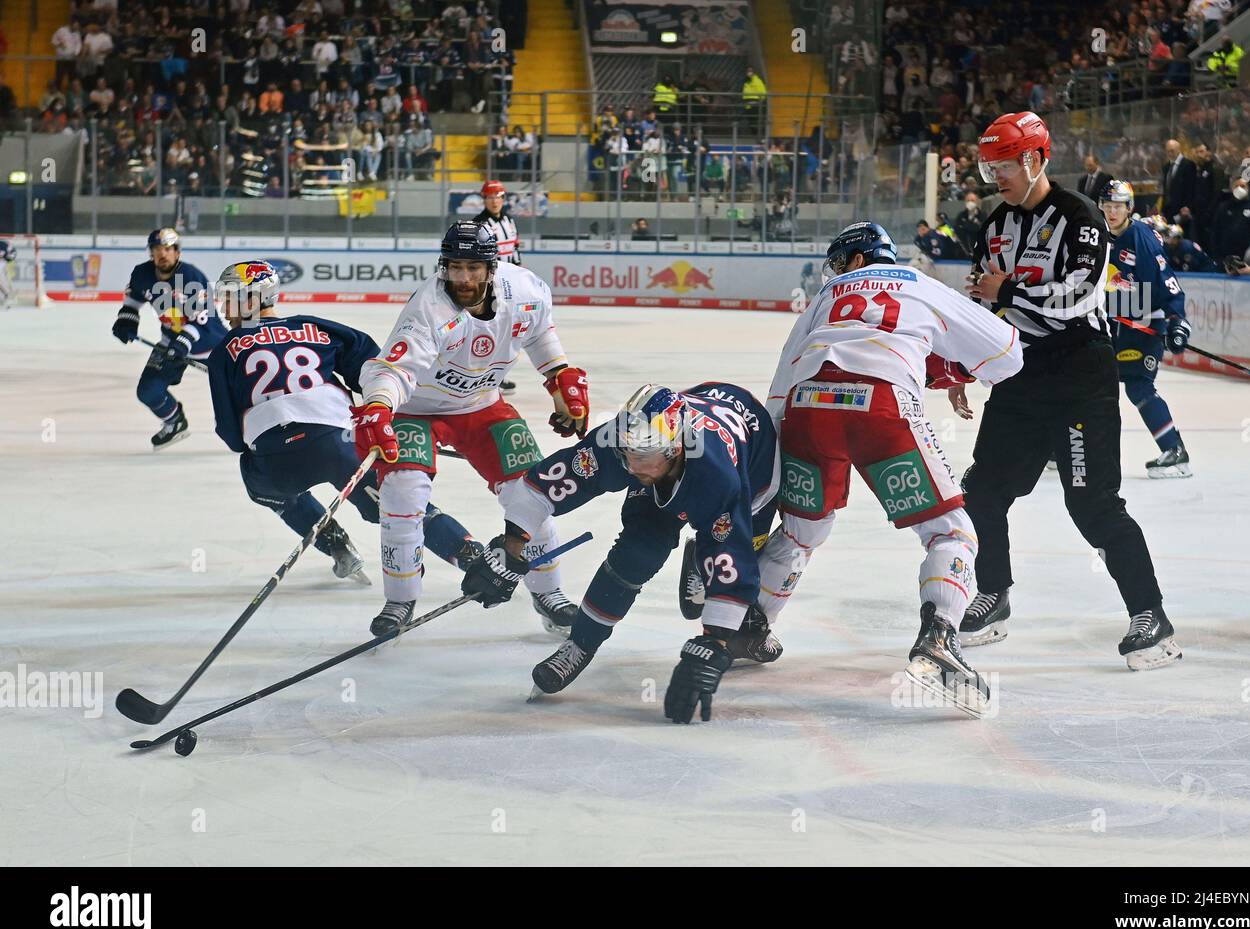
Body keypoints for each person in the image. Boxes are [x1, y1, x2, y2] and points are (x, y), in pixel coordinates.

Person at [756, 222, 1023, 717]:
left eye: (840, 261)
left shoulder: (829, 294)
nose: (835, 272)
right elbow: (1007, 354)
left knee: (800, 533)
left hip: (807, 407)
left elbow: (783, 376)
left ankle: (748, 627)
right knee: (950, 531)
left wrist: (769, 453)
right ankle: (940, 635)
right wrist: (951, 367)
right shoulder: (919, 283)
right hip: (878, 407)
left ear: (857, 259)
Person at [962, 111, 1180, 671]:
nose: (996, 180)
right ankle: (994, 595)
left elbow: (1075, 297)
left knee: (1091, 502)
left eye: (1003, 167)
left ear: (1035, 159)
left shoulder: (1081, 219)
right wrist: (963, 364)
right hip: (1021, 374)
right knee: (983, 489)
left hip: (1081, 373)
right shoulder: (994, 225)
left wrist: (1005, 289)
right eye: (989, 171)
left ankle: (1150, 616)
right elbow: (981, 306)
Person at [461, 382, 782, 722]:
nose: (631, 467)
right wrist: (511, 548)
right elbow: (545, 486)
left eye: (642, 457)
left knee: (736, 606)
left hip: (754, 467)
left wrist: (713, 645)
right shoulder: (624, 440)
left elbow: (730, 556)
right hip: (691, 437)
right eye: (627, 454)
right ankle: (581, 643)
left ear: (675, 449)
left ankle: (710, 582)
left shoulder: (718, 476)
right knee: (639, 551)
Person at [352, 222, 591, 639]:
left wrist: (560, 376)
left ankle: (548, 593)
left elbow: (538, 333)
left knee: (532, 491)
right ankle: (400, 597)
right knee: (402, 494)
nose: (462, 278)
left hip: (482, 406)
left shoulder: (527, 290)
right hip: (416, 410)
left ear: (492, 268)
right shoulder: (428, 308)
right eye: (455, 267)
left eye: (473, 268)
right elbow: (393, 369)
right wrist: (377, 406)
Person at [207, 260, 481, 584]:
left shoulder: (225, 351)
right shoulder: (315, 326)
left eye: (228, 296)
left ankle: (337, 547)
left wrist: (258, 445)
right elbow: (373, 369)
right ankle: (471, 556)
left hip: (274, 461)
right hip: (337, 443)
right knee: (399, 505)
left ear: (252, 298)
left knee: (263, 487)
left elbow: (230, 432)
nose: (222, 306)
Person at [1097, 180, 1193, 478]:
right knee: (1086, 382)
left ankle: (1174, 451)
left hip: (1143, 327)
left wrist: (1177, 322)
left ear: (1129, 208)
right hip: (1111, 326)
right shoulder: (1097, 234)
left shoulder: (1142, 238)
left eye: (1118, 206)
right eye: (1107, 205)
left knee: (1139, 386)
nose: (1112, 212)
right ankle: (1062, 448)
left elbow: (1167, 282)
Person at [111, 228, 228, 449]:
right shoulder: (142, 274)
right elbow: (134, 299)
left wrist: (182, 344)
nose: (162, 254)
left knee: (232, 397)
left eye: (167, 249)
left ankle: (246, 430)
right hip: (171, 342)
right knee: (148, 391)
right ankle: (175, 423)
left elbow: (202, 320)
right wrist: (127, 320)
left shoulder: (192, 277)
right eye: (157, 249)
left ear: (177, 252)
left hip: (210, 344)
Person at [472, 180, 521, 393]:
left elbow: (515, 249)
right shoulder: (479, 223)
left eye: (498, 197)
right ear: (484, 200)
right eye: (490, 197)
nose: (494, 201)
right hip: (491, 287)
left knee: (507, 332)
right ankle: (481, 376)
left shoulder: (509, 220)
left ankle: (496, 376)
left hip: (510, 286)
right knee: (489, 331)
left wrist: (520, 276)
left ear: (503, 199)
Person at [1211, 177, 1250, 270]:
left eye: (1243, 186)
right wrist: (1217, 256)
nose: (1239, 188)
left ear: (1248, 189)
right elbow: (1216, 232)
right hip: (1225, 257)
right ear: (1232, 189)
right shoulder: (1223, 207)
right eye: (1236, 186)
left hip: (1248, 258)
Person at [1159, 139, 1196, 233]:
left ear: (1179, 149)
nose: (1170, 153)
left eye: (1172, 150)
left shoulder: (1188, 165)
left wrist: (1188, 206)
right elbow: (1166, 190)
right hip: (1168, 211)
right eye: (1168, 151)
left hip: (1182, 211)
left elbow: (1191, 188)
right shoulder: (1166, 167)